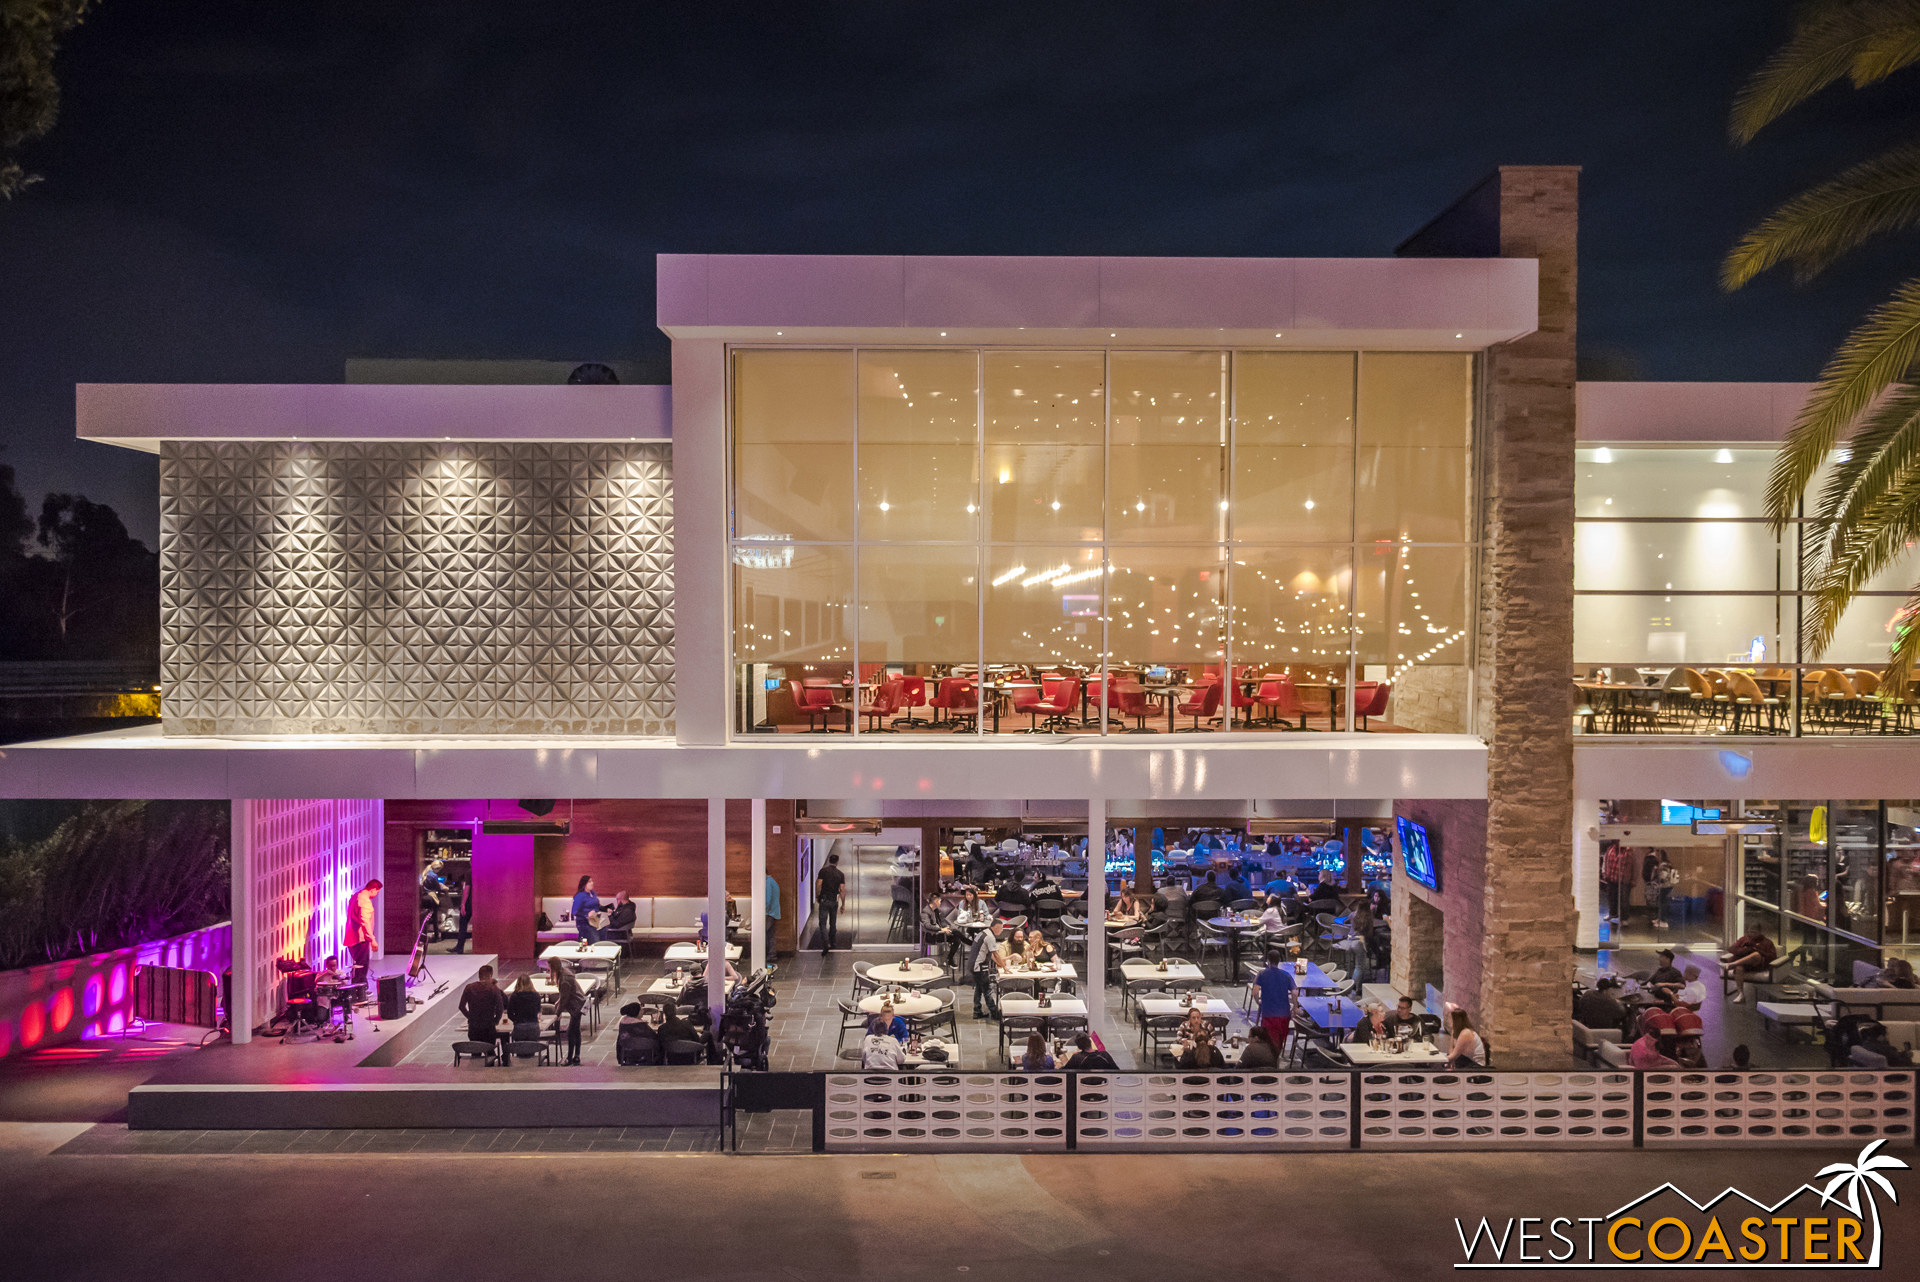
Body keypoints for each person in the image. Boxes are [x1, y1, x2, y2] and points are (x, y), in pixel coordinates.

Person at [1252, 949, 1297, 1051]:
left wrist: (1258, 1002)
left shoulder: (1262, 974)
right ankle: (1276, 1060)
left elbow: (1255, 992)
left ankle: (1272, 1062)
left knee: (1269, 1043)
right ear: (1279, 961)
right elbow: (1295, 992)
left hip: (1268, 1014)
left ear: (1268, 960)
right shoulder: (1286, 975)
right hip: (1284, 1015)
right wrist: (1295, 1007)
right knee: (1279, 1042)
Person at [459, 965, 506, 1058]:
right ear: (490, 975)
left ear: (479, 975)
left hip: (473, 1027)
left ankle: (475, 1070)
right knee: (490, 1052)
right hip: (488, 1027)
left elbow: (461, 1006)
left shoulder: (469, 988)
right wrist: (495, 1020)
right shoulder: (493, 989)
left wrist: (471, 1017)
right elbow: (500, 1008)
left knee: (476, 1052)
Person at [548, 957, 586, 1066]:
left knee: (570, 1032)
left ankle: (570, 1058)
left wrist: (557, 1014)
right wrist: (559, 1001)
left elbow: (565, 999)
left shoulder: (564, 979)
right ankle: (576, 1056)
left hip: (576, 1006)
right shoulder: (565, 973)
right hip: (578, 1004)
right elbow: (564, 996)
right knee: (576, 1031)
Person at [1721, 929, 1777, 1002]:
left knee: (1756, 954)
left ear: (1759, 932)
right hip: (1745, 964)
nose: (1752, 934)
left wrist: (1757, 949)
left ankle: (1731, 964)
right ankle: (1741, 994)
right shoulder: (1743, 940)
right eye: (1751, 932)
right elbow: (1732, 949)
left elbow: (1772, 956)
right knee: (1739, 968)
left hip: (1758, 965)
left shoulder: (1767, 942)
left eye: (1754, 932)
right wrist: (1745, 949)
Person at [345, 879, 381, 985]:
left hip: (351, 937)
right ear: (373, 889)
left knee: (357, 967)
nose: (376, 894)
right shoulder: (365, 901)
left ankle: (358, 990)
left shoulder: (356, 896)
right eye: (377, 892)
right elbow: (364, 921)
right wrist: (372, 939)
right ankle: (360, 992)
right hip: (360, 939)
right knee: (361, 967)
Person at [815, 852, 848, 955]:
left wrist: (817, 895)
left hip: (824, 900)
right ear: (837, 862)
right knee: (833, 923)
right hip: (834, 901)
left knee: (822, 923)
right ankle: (832, 942)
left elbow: (819, 884)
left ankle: (826, 943)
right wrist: (843, 904)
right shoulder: (840, 874)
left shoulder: (823, 871)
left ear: (829, 861)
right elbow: (842, 890)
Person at [968, 923, 1001, 1019]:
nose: (1002, 930)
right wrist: (1004, 966)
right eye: (1001, 928)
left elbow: (989, 953)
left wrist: (998, 963)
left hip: (973, 964)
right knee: (987, 989)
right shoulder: (990, 937)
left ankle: (977, 1011)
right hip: (979, 966)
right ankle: (994, 1012)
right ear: (995, 927)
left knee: (978, 988)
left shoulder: (983, 933)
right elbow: (996, 954)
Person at [506, 974, 543, 1043]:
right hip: (533, 1026)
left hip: (520, 1026)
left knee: (520, 1050)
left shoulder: (514, 996)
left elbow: (510, 1013)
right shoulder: (536, 995)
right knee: (531, 1049)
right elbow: (538, 1010)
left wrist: (516, 1020)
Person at [571, 875, 602, 945]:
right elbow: (574, 911)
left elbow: (597, 906)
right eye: (589, 882)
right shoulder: (580, 895)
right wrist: (586, 914)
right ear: (584, 884)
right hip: (585, 923)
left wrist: (606, 909)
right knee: (595, 941)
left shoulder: (593, 893)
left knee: (601, 938)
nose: (592, 883)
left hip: (595, 921)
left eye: (592, 881)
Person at [764, 872, 782, 961]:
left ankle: (768, 954)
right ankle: (772, 954)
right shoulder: (772, 881)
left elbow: (767, 900)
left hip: (768, 913)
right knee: (771, 935)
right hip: (773, 912)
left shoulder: (768, 883)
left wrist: (763, 911)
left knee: (765, 934)